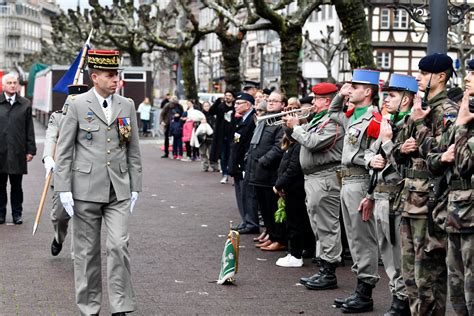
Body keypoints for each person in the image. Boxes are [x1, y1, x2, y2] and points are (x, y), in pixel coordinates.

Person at [54, 50, 142, 315]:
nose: (116, 80)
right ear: (94, 77)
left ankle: (120, 306)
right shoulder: (77, 104)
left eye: (117, 75)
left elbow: (132, 149)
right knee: (87, 252)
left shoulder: (126, 105)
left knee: (118, 246)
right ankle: (90, 307)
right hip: (85, 189)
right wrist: (63, 189)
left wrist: (136, 185)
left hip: (119, 189)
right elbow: (65, 150)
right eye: (110, 75)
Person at [393, 53, 458, 316]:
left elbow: (443, 157)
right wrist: (402, 148)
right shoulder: (419, 109)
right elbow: (396, 149)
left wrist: (419, 126)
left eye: (423, 73)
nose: (418, 77)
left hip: (431, 203)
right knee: (410, 276)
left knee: (427, 276)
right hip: (410, 198)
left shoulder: (448, 113)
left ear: (440, 76)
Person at [364, 74, 417, 315]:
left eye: (392, 95)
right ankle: (397, 295)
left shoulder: (412, 125)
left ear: (406, 99)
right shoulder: (389, 122)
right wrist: (371, 160)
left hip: (399, 196)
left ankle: (403, 299)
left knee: (399, 253)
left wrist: (386, 145)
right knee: (386, 252)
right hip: (382, 196)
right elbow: (369, 152)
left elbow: (404, 165)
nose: (386, 99)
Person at [425, 59, 474, 316]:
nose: (467, 77)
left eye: (473, 73)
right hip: (456, 212)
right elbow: (437, 155)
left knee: (471, 285)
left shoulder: (464, 117)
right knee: (456, 285)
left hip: (470, 213)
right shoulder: (464, 113)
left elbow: (464, 163)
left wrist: (463, 124)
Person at [332, 69, 382, 313]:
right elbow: (332, 114)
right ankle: (359, 288)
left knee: (363, 238)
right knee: (353, 238)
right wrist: (340, 96)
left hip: (361, 181)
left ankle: (365, 291)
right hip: (347, 181)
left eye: (355, 86)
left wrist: (369, 192)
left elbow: (376, 155)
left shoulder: (374, 119)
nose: (349, 89)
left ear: (368, 92)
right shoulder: (353, 115)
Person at [285, 83, 343, 287]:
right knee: (318, 225)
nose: (312, 103)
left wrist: (296, 127)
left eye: (316, 99)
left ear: (327, 100)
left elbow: (312, 142)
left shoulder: (332, 122)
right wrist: (287, 125)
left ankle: (329, 272)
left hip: (325, 178)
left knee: (327, 226)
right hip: (313, 178)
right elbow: (298, 138)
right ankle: (324, 268)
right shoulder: (318, 119)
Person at [248, 91, 286, 251]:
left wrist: (264, 160)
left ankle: (279, 238)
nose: (270, 103)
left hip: (270, 172)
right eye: (269, 100)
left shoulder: (280, 122)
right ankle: (271, 235)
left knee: (272, 207)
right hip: (258, 172)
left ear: (282, 105)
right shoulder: (264, 120)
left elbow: (280, 146)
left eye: (275, 101)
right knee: (264, 208)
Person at [0, 72, 36, 225]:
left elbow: (29, 128)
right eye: (9, 83)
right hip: (0, 151)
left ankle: (17, 214)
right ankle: (0, 214)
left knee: (17, 186)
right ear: (3, 85)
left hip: (17, 151)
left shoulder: (25, 104)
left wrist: (30, 150)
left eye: (15, 82)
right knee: (0, 186)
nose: (13, 85)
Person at [227, 92, 257, 234]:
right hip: (238, 164)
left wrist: (243, 162)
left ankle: (251, 222)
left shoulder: (252, 120)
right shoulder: (242, 119)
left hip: (244, 164)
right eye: (235, 103)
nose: (236, 105)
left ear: (248, 105)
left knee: (247, 195)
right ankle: (246, 221)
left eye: (239, 103)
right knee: (241, 194)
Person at [43, 107, 71, 256]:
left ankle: (78, 256)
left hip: (88, 176)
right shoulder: (59, 117)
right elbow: (51, 138)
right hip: (63, 174)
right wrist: (48, 157)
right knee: (59, 216)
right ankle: (58, 238)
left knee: (84, 219)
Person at [209, 91, 235, 183]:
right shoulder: (220, 107)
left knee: (233, 156)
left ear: (233, 97)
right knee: (223, 156)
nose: (227, 97)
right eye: (226, 95)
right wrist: (217, 101)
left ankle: (234, 175)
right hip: (222, 136)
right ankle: (225, 174)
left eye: (229, 95)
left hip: (233, 136)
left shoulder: (236, 107)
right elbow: (211, 112)